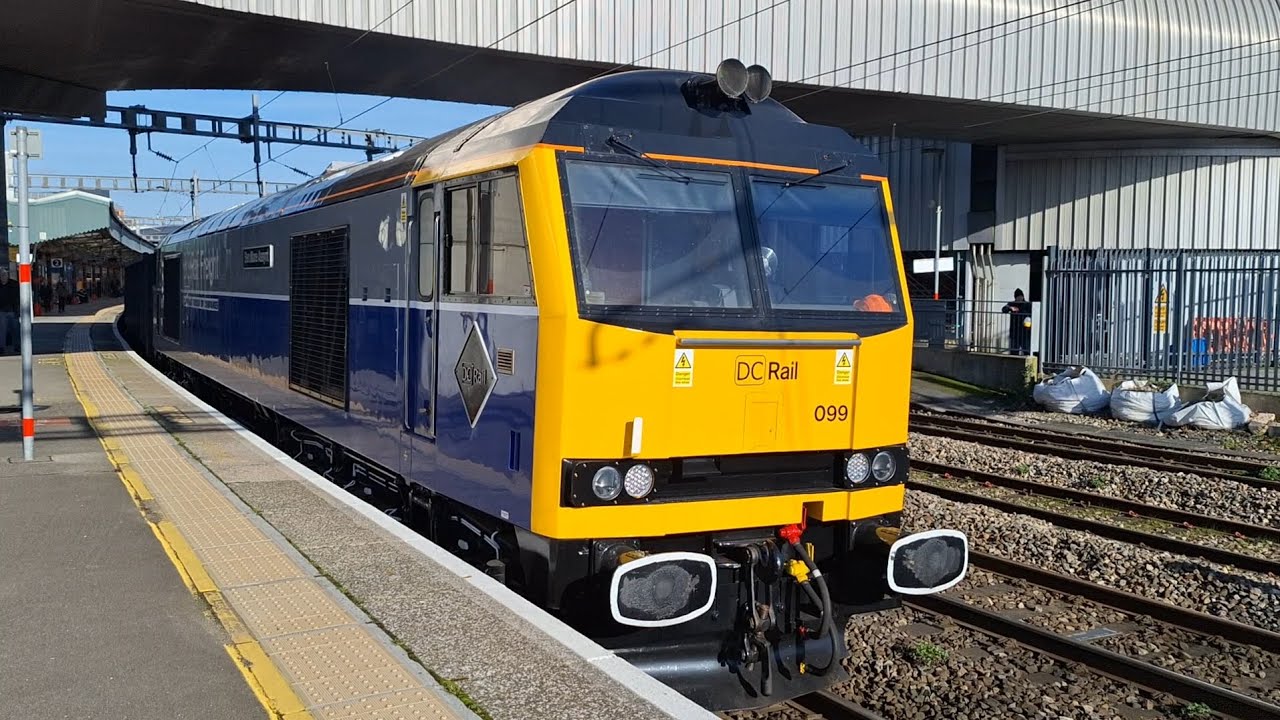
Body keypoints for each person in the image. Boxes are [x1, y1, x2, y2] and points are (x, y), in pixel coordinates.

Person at [1001, 288, 1032, 356]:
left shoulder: (1028, 304)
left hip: (1025, 332)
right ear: (1015, 297)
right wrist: (1010, 308)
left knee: (1027, 351)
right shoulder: (1012, 304)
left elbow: (1033, 313)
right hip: (1015, 332)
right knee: (1014, 351)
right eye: (1018, 297)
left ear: (1023, 297)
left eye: (1021, 296)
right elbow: (1004, 309)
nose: (1019, 298)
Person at [0, 268, 19, 355]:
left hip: (12, 310)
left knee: (15, 329)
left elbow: (17, 297)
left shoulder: (13, 284)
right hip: (2, 311)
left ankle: (17, 346)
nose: (3, 277)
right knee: (2, 330)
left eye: (4, 275)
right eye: (1, 275)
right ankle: (2, 347)